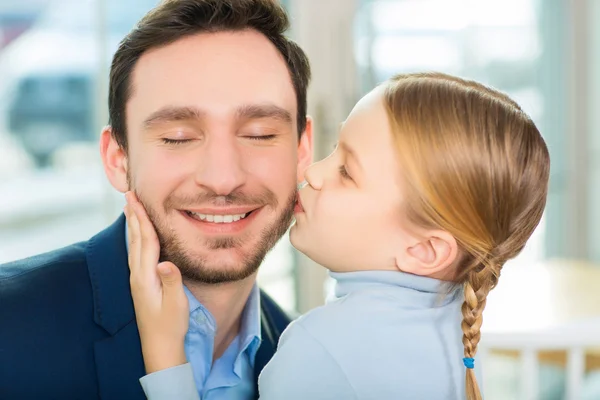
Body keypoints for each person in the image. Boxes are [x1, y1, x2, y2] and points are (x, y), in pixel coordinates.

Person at [126, 72, 550, 400]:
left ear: (424, 250)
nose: (312, 172)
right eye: (334, 151)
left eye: (347, 172)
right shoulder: (454, 333)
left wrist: (165, 354)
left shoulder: (320, 347)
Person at [0, 1, 312, 399]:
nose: (223, 178)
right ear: (118, 159)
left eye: (259, 134)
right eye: (178, 138)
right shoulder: (8, 327)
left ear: (302, 151)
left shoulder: (305, 358)